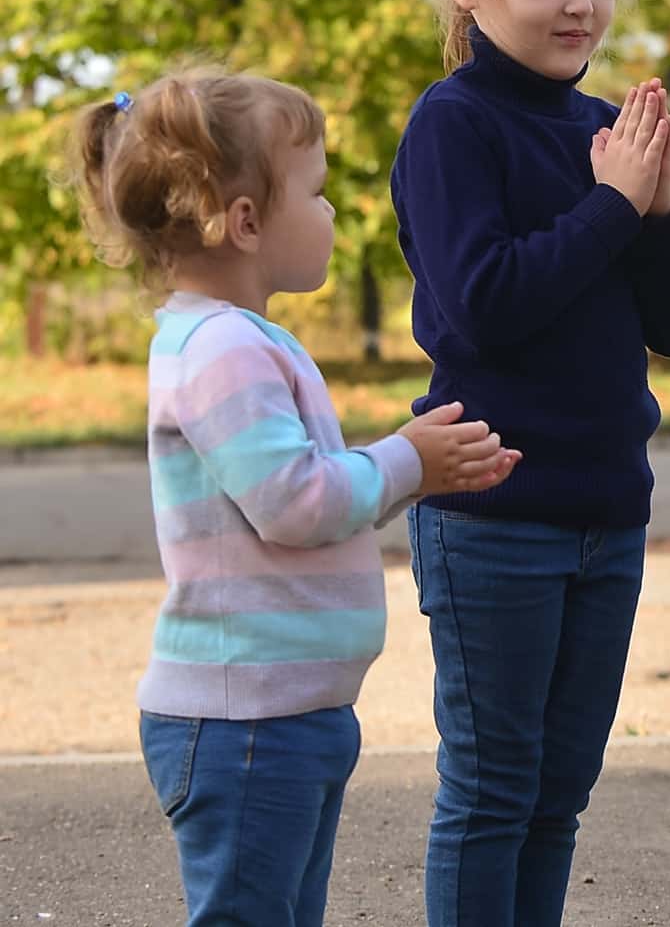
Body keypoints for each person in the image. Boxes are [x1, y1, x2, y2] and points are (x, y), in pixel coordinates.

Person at [75, 71, 518, 927]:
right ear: (244, 223)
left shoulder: (241, 341)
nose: (333, 215)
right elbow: (294, 504)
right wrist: (405, 463)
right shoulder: (221, 351)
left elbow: (304, 495)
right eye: (315, 193)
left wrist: (410, 469)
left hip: (287, 714)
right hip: (246, 726)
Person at [391, 0, 670, 925]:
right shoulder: (453, 125)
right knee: (491, 793)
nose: (582, 3)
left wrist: (659, 209)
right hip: (493, 512)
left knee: (557, 799)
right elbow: (485, 306)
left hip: (605, 510)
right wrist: (614, 208)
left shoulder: (607, 135)